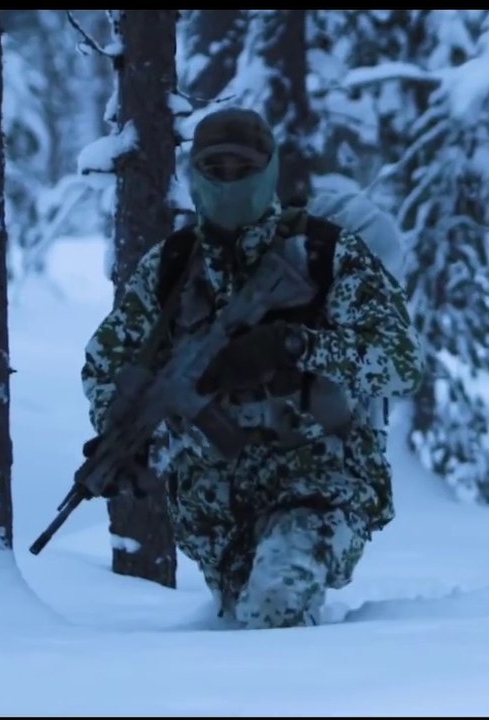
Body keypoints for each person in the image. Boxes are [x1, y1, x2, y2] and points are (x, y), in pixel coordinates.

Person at [80, 107, 424, 628]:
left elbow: (401, 362)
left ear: (268, 172)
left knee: (277, 606)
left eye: (243, 169)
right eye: (214, 170)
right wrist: (125, 436)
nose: (229, 182)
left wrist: (293, 346)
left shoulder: (325, 255)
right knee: (243, 629)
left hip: (319, 480)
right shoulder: (170, 267)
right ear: (195, 174)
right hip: (215, 508)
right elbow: (106, 364)